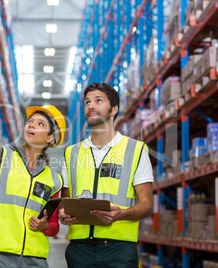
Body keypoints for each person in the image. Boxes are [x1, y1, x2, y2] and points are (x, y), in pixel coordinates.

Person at [0, 71, 67, 268]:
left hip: (34, 261)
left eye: (40, 123)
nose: (32, 125)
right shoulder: (0, 157)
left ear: (50, 138)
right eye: (30, 121)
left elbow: (53, 226)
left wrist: (45, 226)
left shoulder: (54, 180)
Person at [58, 82, 154, 268]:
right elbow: (65, 201)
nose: (91, 106)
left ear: (113, 109)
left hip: (119, 250)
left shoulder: (135, 150)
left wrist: (122, 214)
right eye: (87, 102)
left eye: (98, 101)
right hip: (79, 250)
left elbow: (147, 205)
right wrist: (64, 214)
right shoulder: (72, 153)